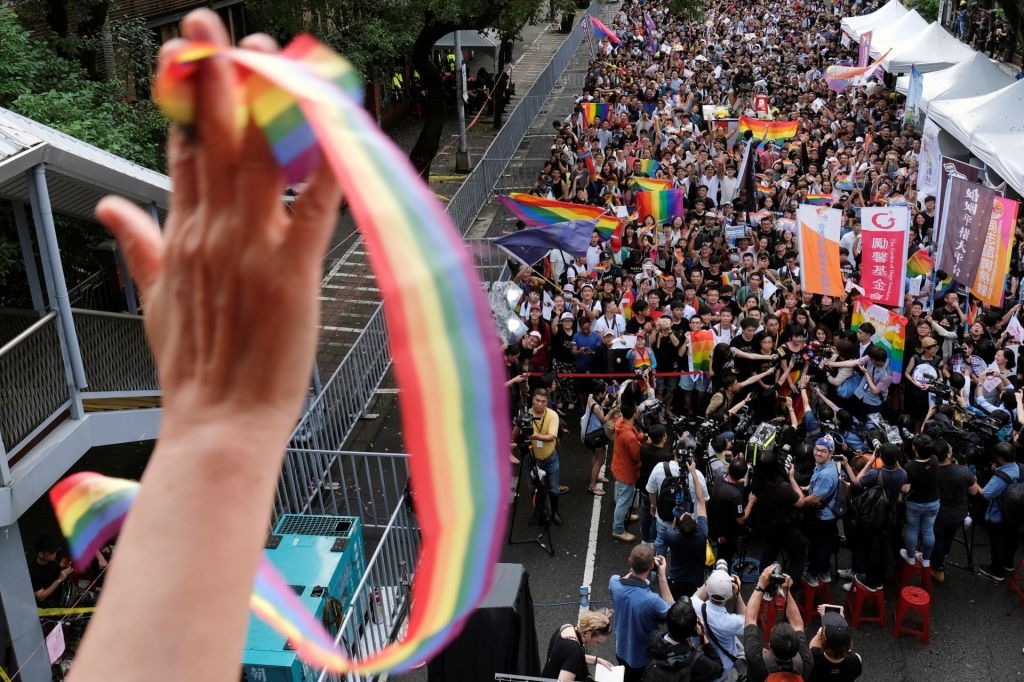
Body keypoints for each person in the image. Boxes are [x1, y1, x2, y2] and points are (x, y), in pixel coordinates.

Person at [609, 545, 674, 682]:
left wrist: (635, 566)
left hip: (621, 649)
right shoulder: (652, 600)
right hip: (643, 658)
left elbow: (625, 578)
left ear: (629, 561)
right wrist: (662, 576)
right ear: (651, 566)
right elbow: (672, 613)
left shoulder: (614, 583)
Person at [742, 565, 813, 682]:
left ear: (769, 646)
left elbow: (750, 618)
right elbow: (797, 624)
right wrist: (786, 590)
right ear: (797, 648)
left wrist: (760, 586)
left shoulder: (756, 660)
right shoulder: (805, 661)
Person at [930, 438, 982, 583]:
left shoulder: (930, 472)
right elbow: (973, 492)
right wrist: (972, 478)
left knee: (937, 539)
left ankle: (938, 566)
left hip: (937, 513)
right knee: (947, 537)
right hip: (958, 514)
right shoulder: (964, 471)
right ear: (948, 455)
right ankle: (940, 563)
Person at [662, 458, 711, 599]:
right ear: (696, 525)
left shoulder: (671, 536)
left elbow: (671, 529)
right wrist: (693, 473)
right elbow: (701, 501)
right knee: (694, 604)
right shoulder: (702, 534)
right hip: (695, 579)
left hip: (676, 578)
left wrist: (677, 516)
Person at [645, 597, 724, 682]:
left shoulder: (654, 638)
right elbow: (719, 669)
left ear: (667, 622)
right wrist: (702, 636)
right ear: (694, 630)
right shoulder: (696, 661)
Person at [691, 560, 746, 682]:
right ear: (730, 595)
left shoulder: (695, 606)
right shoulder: (731, 622)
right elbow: (749, 623)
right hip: (722, 670)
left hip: (701, 662)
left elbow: (696, 596)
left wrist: (714, 580)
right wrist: (738, 594)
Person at [979, 442, 1022, 582]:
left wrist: (973, 482)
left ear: (1000, 458)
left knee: (998, 542)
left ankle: (996, 571)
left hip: (999, 515)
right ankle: (1008, 564)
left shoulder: (1000, 477)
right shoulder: (1020, 468)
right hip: (1016, 513)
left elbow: (986, 494)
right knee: (1011, 539)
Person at [802, 435, 841, 587]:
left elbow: (816, 499)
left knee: (817, 546)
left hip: (823, 517)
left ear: (830, 453)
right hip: (829, 514)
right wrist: (808, 489)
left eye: (823, 451)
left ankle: (812, 575)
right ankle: (825, 572)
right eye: (817, 450)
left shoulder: (826, 474)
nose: (818, 453)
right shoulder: (827, 465)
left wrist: (801, 501)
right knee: (824, 544)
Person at [899, 434, 940, 568]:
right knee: (928, 530)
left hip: (915, 503)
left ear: (914, 448)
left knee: (912, 529)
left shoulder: (910, 467)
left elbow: (905, 489)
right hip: (933, 501)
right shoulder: (934, 459)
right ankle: (926, 559)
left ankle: (910, 557)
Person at [541, 610, 614, 680]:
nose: (597, 645)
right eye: (597, 642)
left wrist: (597, 660)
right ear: (588, 634)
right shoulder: (575, 651)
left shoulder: (567, 627)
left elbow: (568, 657)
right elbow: (573, 657)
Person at [526, 388, 563, 525]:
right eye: (537, 400)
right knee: (532, 489)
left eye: (543, 401)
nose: (539, 404)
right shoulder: (525, 415)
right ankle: (539, 511)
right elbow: (515, 435)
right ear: (532, 399)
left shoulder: (552, 415)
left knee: (553, 487)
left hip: (550, 458)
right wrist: (518, 424)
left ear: (548, 402)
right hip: (531, 460)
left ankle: (555, 512)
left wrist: (536, 436)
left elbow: (551, 436)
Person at [612, 400, 644, 542]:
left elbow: (632, 437)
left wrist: (641, 437)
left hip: (618, 466)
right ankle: (618, 530)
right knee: (623, 501)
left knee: (621, 496)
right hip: (627, 472)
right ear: (634, 413)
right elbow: (636, 455)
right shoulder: (629, 436)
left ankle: (624, 515)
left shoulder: (620, 422)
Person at [708, 458, 749, 567]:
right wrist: (752, 502)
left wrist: (738, 481)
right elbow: (741, 520)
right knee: (724, 559)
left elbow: (729, 480)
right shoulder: (735, 496)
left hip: (712, 524)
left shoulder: (719, 476)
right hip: (726, 533)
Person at [808, 611, 862, 681]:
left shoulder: (813, 656)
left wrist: (824, 627)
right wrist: (841, 625)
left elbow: (813, 646)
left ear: (824, 641)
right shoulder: (856, 659)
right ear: (848, 644)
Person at [29, 535, 74, 606]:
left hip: (63, 592)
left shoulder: (51, 559)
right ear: (41, 554)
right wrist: (59, 580)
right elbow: (40, 597)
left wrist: (61, 567)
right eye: (52, 553)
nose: (55, 554)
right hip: (52, 603)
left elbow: (51, 572)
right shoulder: (34, 572)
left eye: (55, 551)